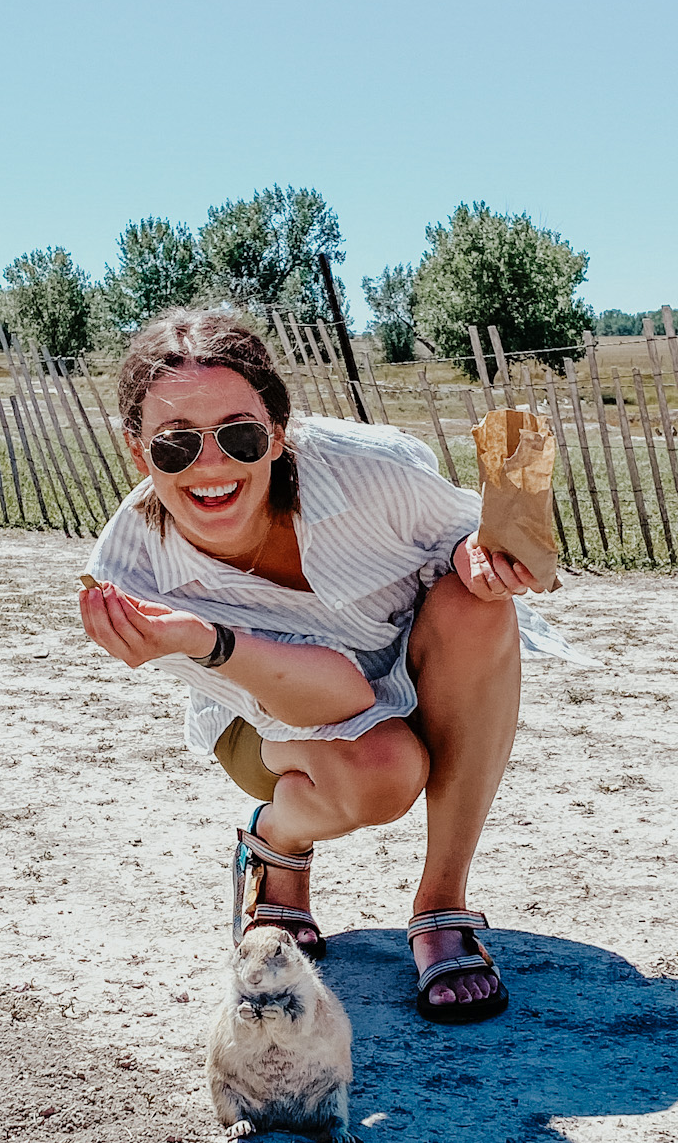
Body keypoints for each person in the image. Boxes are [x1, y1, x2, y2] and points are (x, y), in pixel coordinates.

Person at [79, 308, 559, 1024]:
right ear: (137, 451)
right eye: (175, 446)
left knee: (478, 609)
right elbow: (336, 695)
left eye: (239, 435)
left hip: (415, 674)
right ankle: (278, 842)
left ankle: (441, 906)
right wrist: (207, 638)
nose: (210, 466)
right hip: (273, 727)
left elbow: (461, 536)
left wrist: (479, 557)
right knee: (384, 770)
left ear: (276, 432)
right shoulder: (131, 577)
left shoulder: (370, 468)